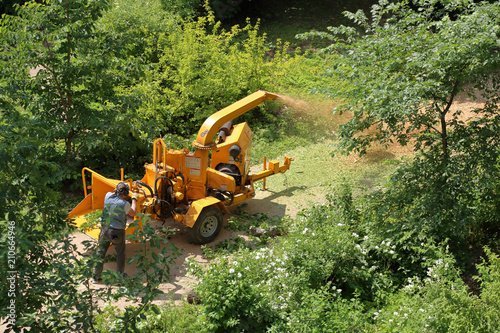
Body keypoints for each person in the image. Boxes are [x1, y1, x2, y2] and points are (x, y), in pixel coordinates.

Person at [93, 182, 139, 282]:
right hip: (117, 232)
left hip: (104, 229)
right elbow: (133, 213)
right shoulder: (124, 204)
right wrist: (134, 199)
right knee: (120, 253)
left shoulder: (108, 195)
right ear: (125, 193)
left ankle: (96, 277)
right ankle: (119, 277)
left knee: (100, 252)